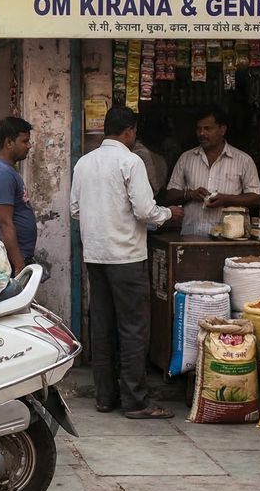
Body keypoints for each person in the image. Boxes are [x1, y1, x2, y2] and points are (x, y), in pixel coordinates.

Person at [72, 108, 183, 419]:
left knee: (103, 326)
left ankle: (105, 397)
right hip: (127, 257)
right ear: (130, 131)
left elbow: (75, 209)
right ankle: (136, 401)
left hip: (95, 256)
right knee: (133, 328)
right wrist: (169, 214)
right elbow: (146, 210)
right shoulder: (130, 161)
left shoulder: (84, 163)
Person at [165, 107, 260, 236]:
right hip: (191, 235)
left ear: (222, 130)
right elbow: (170, 194)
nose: (202, 133)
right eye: (199, 129)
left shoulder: (243, 160)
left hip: (228, 237)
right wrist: (190, 194)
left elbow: (256, 198)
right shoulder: (186, 158)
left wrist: (226, 199)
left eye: (207, 129)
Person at [0, 118, 37, 275]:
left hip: (14, 257)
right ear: (9, 143)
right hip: (10, 261)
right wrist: (19, 265)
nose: (29, 145)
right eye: (24, 141)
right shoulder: (2, 174)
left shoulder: (6, 170)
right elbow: (4, 222)